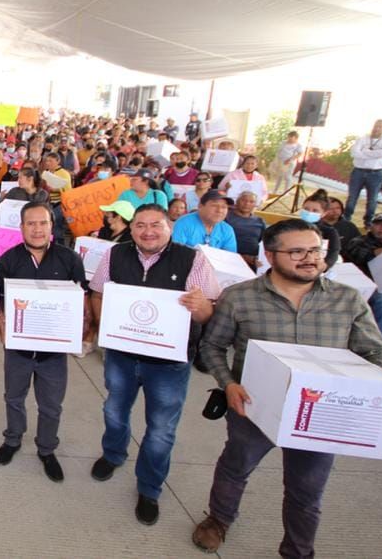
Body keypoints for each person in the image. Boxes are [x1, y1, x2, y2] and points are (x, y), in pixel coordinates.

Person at [192, 219, 382, 557]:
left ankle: (298, 550)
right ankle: (219, 520)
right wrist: (228, 384)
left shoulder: (347, 299)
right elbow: (213, 346)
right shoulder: (240, 297)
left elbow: (373, 351)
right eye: (297, 252)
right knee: (235, 468)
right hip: (253, 406)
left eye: (316, 250)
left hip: (321, 414)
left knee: (307, 490)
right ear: (271, 256)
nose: (310, 258)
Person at [88, 203, 219, 525]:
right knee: (114, 410)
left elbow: (208, 312)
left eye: (156, 225)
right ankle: (113, 454)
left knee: (161, 429)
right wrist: (107, 327)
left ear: (169, 227)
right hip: (121, 354)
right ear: (131, 229)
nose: (148, 232)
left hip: (168, 361)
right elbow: (98, 293)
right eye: (140, 225)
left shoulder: (192, 259)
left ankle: (149, 487)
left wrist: (201, 306)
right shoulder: (115, 254)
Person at [0, 202, 87, 481]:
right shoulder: (7, 261)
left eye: (43, 223)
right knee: (14, 397)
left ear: (51, 226)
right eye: (31, 223)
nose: (37, 229)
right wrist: (1, 321)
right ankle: (12, 439)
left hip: (53, 351)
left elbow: (80, 303)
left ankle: (46, 449)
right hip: (18, 349)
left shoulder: (70, 260)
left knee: (51, 405)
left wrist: (81, 330)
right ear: (21, 227)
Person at [343, 213, 382, 339]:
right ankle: (376, 340)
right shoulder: (359, 241)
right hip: (370, 287)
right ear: (371, 226)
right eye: (379, 224)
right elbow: (360, 255)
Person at [344, 119, 382, 227]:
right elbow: (354, 153)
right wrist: (373, 154)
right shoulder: (362, 139)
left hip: (376, 173)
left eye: (380, 127)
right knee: (352, 197)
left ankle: (368, 222)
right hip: (358, 171)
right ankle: (346, 220)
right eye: (376, 126)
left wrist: (364, 152)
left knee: (372, 199)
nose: (377, 128)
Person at [172, 190, 238, 252]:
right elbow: (176, 253)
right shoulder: (184, 223)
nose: (219, 210)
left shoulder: (227, 229)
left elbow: (230, 257)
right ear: (200, 206)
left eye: (224, 207)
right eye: (214, 205)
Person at [299, 190, 341, 271]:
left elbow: (334, 252)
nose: (309, 212)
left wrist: (324, 266)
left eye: (315, 210)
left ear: (324, 213)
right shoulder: (290, 227)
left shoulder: (329, 232)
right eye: (306, 209)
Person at [225, 191, 267, 269]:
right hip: (230, 258)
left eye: (251, 202)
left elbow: (264, 242)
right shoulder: (226, 216)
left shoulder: (259, 221)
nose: (247, 204)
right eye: (244, 200)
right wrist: (244, 257)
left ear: (255, 205)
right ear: (237, 201)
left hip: (254, 260)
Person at [269, 131, 304, 195]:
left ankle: (286, 192)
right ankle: (275, 190)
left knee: (288, 177)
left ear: (296, 138)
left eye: (291, 138)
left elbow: (300, 154)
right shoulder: (283, 142)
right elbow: (279, 151)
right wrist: (276, 160)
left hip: (289, 162)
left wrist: (290, 160)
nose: (289, 139)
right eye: (288, 137)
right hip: (280, 161)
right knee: (279, 176)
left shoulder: (298, 145)